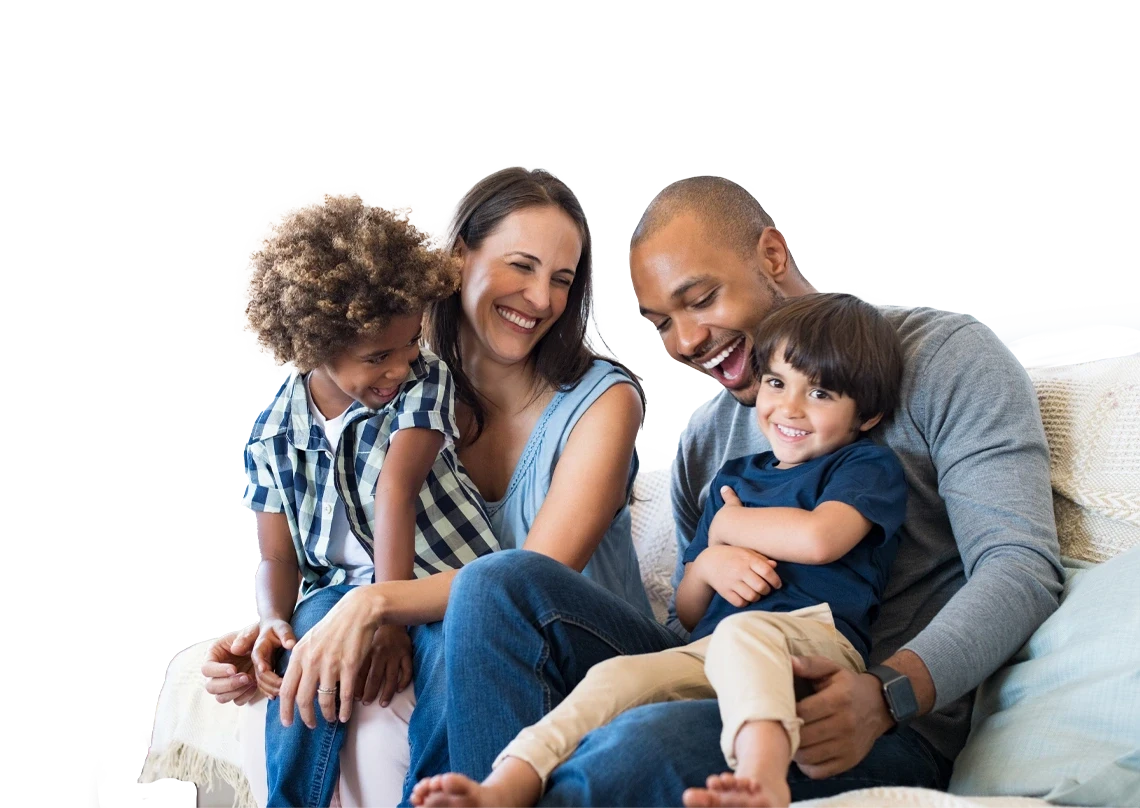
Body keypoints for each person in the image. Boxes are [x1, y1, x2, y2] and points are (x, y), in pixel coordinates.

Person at [426, 174, 1064, 805]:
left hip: (862, 717)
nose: (685, 342)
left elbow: (1019, 567)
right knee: (496, 583)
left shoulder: (943, 358)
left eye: (700, 300)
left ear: (772, 255)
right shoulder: (707, 443)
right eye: (660, 324)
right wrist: (709, 563)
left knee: (638, 747)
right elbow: (690, 622)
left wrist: (887, 694)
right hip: (722, 671)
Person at [201, 166, 656, 808]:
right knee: (324, 634)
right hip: (464, 633)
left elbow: (532, 578)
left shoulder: (601, 402)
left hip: (583, 650)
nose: (542, 299)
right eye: (521, 266)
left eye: (562, 279)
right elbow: (321, 539)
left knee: (469, 612)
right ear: (459, 257)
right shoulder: (390, 389)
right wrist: (275, 630)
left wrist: (377, 604)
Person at [411, 293, 908, 808]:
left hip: (814, 645)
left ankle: (763, 779)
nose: (789, 408)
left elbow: (820, 538)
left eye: (821, 393)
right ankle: (506, 784)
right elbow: (690, 611)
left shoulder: (862, 467)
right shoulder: (735, 478)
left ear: (867, 415)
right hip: (710, 651)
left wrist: (729, 526)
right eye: (777, 383)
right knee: (615, 676)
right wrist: (711, 560)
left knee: (744, 631)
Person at [239, 191, 500, 808]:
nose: (399, 366)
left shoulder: (423, 380)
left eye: (410, 343)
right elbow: (277, 556)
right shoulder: (272, 429)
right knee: (306, 649)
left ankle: (435, 797)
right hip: (337, 591)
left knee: (448, 662)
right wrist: (273, 619)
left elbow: (395, 491)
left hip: (442, 578)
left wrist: (387, 614)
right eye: (377, 356)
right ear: (313, 345)